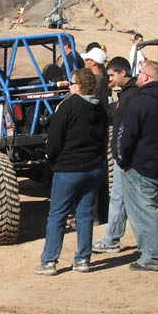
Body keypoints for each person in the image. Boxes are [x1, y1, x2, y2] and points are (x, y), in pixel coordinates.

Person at [35, 68, 108, 275]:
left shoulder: (67, 106)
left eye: (71, 83)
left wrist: (51, 159)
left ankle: (49, 261)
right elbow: (103, 139)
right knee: (85, 215)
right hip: (93, 167)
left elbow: (54, 139)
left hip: (69, 168)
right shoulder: (100, 108)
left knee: (57, 214)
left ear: (79, 86)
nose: (69, 86)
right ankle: (83, 259)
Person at [116, 60, 158, 271]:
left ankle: (152, 257)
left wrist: (122, 160)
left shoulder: (139, 103)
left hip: (142, 167)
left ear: (146, 77)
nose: (136, 76)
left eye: (140, 73)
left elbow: (125, 135)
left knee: (145, 213)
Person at [92, 56, 139, 255]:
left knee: (136, 201)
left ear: (123, 73)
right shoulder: (128, 94)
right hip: (127, 157)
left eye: (112, 75)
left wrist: (122, 156)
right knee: (122, 199)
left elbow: (129, 130)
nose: (109, 78)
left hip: (128, 159)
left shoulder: (131, 96)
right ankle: (112, 238)